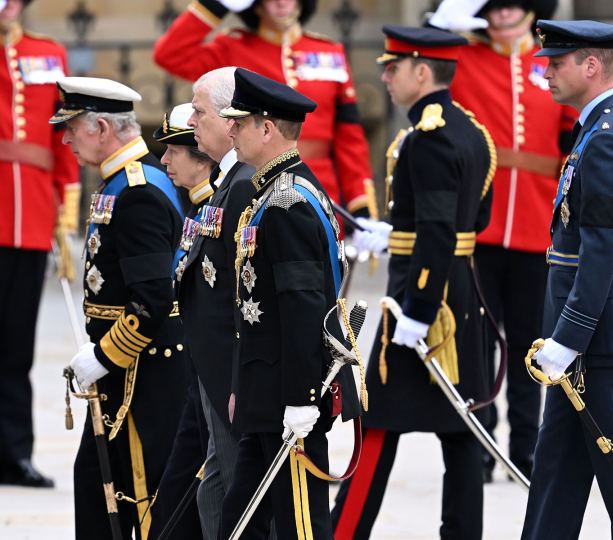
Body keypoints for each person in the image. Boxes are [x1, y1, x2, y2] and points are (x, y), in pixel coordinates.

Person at [331, 25, 494, 539]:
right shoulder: (471, 130)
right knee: (463, 430)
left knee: (377, 421)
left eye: (393, 67)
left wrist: (419, 309)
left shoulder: (428, 139)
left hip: (422, 306)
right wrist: (394, 233)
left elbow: (439, 231)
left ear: (422, 71)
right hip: (462, 296)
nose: (385, 75)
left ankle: (343, 531)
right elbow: (475, 220)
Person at [522, 20, 613, 539]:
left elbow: (600, 254)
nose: (548, 74)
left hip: (597, 346)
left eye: (557, 64)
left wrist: (569, 338)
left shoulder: (606, 140)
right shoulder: (594, 130)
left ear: (592, 65)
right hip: (579, 346)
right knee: (555, 473)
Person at [428, 0, 576, 482]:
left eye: (514, 4)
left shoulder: (550, 62)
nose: (504, 13)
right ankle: (482, 437)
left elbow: (567, 141)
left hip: (537, 223)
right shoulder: (465, 58)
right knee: (478, 338)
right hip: (480, 224)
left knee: (529, 343)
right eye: (492, 5)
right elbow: (427, 46)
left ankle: (526, 444)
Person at [216, 67, 358, 540]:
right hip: (265, 393)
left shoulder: (288, 204)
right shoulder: (273, 194)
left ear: (267, 128)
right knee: (239, 520)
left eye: (240, 122)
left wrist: (301, 399)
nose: (230, 130)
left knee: (301, 527)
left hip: (287, 400)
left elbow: (302, 310)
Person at [56, 77, 189, 540]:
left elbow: (152, 300)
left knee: (139, 501)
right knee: (97, 493)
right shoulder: (120, 181)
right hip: (123, 375)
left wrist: (103, 357)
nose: (65, 137)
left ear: (101, 127)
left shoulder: (138, 192)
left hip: (143, 378)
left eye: (72, 126)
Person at [153, 0, 376, 220]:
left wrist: (361, 207)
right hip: (254, 181)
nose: (281, 2)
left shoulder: (329, 52)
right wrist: (215, 5)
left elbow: (349, 137)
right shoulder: (232, 46)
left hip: (322, 187)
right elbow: (169, 54)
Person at [170, 66, 259, 540]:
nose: (193, 120)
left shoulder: (243, 184)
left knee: (231, 494)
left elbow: (246, 291)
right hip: (211, 366)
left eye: (199, 112)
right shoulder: (228, 183)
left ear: (230, 122)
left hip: (228, 368)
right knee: (214, 489)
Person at [0, 0, 79, 488]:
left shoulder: (47, 53)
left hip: (29, 216)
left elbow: (60, 132)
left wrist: (63, 212)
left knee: (14, 349)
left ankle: (12, 454)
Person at [147, 102, 219, 540]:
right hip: (194, 380)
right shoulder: (197, 209)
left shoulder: (216, 210)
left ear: (203, 155)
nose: (164, 160)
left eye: (175, 150)